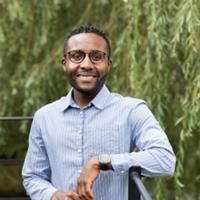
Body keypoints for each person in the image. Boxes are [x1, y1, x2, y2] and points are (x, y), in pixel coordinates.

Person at [22, 25, 176, 200]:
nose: (86, 64)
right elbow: (32, 176)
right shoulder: (44, 117)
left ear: (108, 64)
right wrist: (53, 195)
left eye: (96, 57)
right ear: (65, 63)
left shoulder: (132, 110)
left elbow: (165, 161)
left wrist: (102, 161)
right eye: (76, 56)